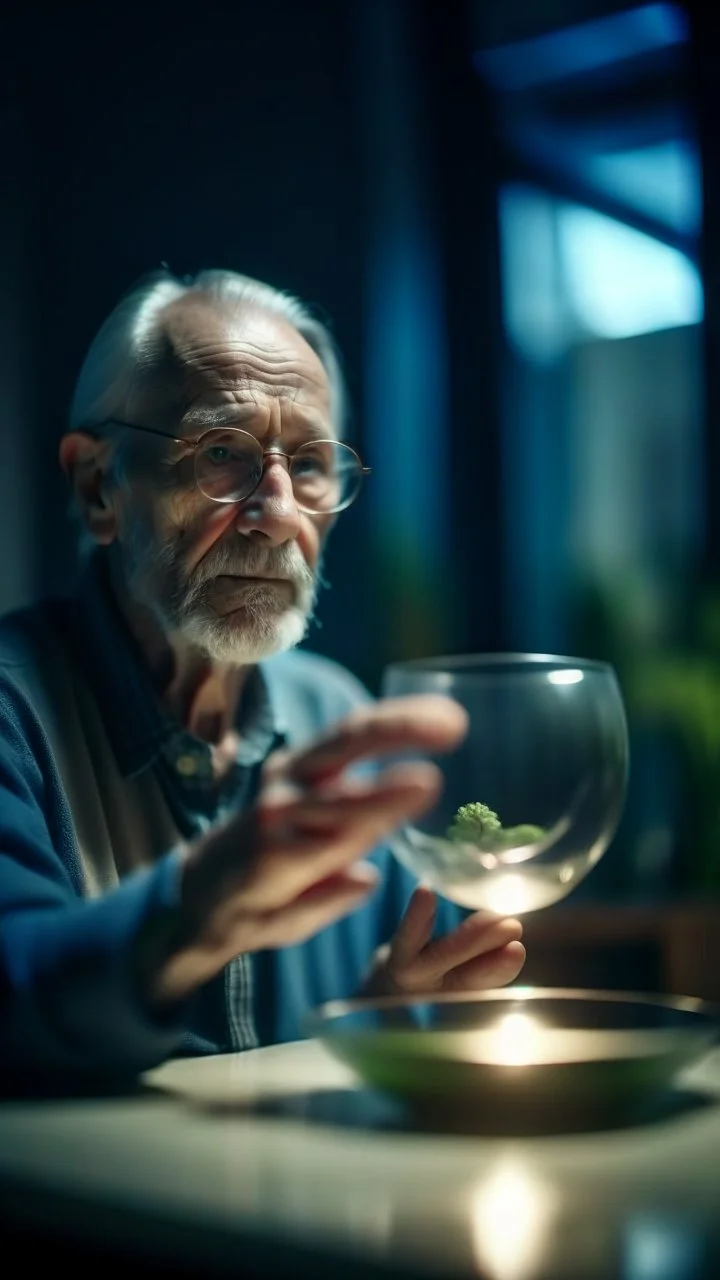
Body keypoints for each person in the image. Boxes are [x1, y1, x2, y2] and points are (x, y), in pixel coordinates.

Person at [0, 269, 525, 1082]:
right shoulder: (14, 706)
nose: (277, 510)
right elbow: (13, 993)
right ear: (98, 486)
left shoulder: (339, 714)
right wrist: (195, 911)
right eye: (220, 453)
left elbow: (366, 1052)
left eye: (310, 464)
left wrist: (389, 1008)